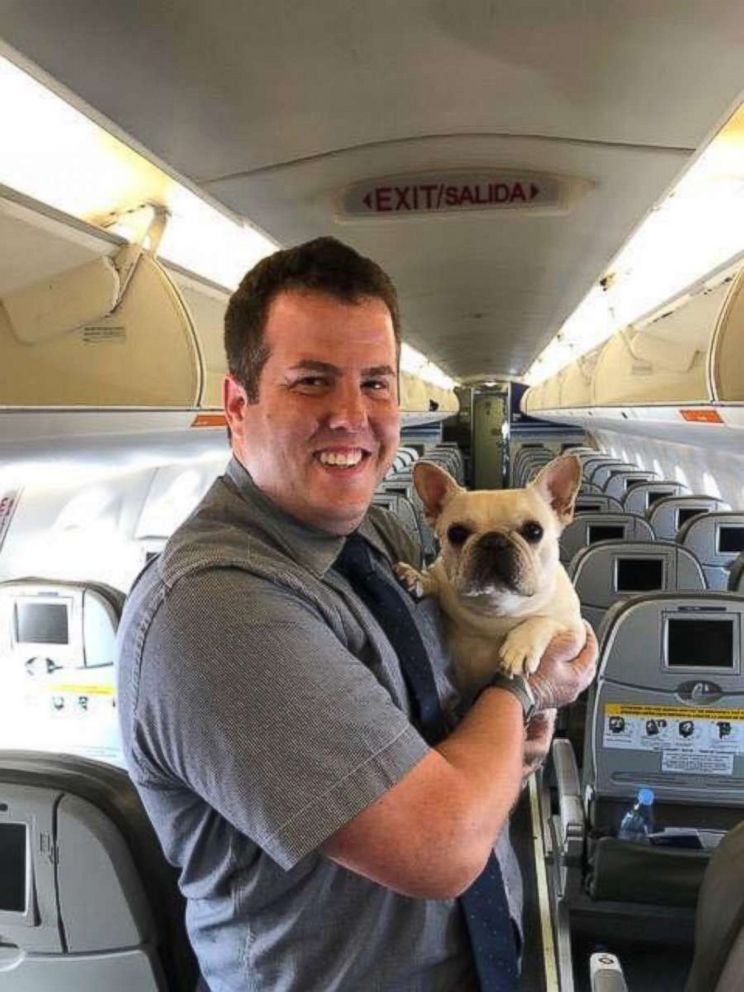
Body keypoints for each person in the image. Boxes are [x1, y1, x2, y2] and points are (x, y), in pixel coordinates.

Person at [116, 236, 597, 992]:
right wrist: (525, 693)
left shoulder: (369, 533)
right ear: (238, 408)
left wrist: (507, 752)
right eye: (312, 382)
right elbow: (440, 845)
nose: (352, 416)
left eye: (376, 383)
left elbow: (436, 728)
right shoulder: (216, 609)